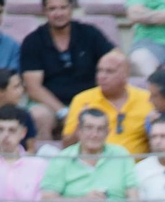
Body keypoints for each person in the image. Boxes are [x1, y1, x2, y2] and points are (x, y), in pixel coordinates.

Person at [40, 107, 141, 202]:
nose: (94, 134)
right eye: (89, 128)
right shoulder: (62, 158)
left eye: (100, 129)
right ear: (79, 130)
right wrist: (83, 200)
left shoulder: (121, 155)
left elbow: (134, 199)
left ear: (108, 132)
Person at [18, 0, 115, 142]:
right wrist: (63, 111)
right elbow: (33, 88)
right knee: (38, 115)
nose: (58, 13)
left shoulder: (89, 33)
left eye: (63, 8)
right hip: (50, 105)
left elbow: (115, 59)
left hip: (90, 101)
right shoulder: (33, 41)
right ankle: (45, 159)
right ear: (44, 11)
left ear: (71, 9)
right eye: (52, 9)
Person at [63, 50, 149, 155]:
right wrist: (79, 127)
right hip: (94, 166)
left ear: (125, 74)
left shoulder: (147, 99)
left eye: (109, 71)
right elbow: (66, 145)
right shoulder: (82, 99)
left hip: (136, 167)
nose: (102, 76)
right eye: (99, 71)